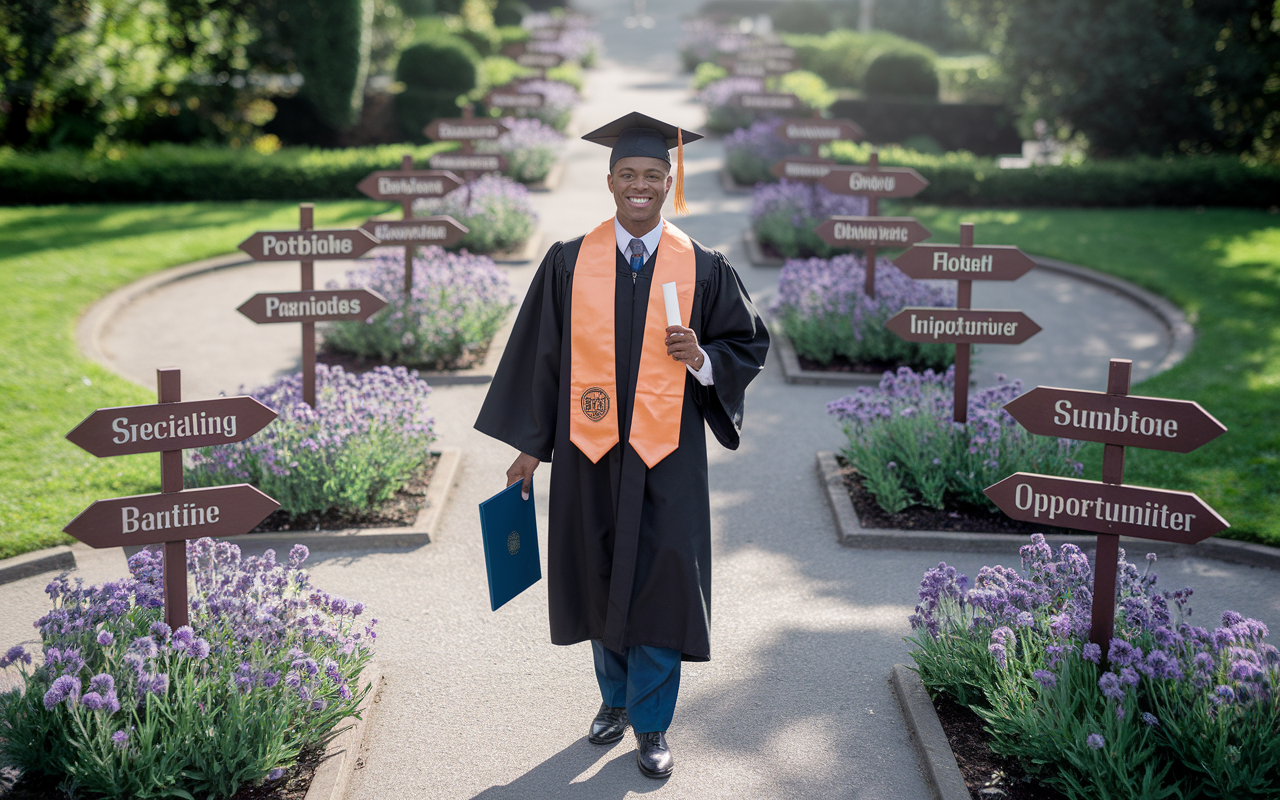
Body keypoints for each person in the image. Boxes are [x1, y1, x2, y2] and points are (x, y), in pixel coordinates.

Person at [474, 111, 770, 779]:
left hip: (668, 460)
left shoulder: (703, 266)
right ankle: (613, 701)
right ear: (610, 181)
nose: (640, 185)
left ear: (670, 182)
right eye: (628, 175)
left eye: (652, 176)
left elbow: (747, 345)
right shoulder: (569, 263)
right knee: (599, 573)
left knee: (662, 584)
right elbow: (541, 357)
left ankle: (652, 724)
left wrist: (702, 359)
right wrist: (529, 445)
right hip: (590, 451)